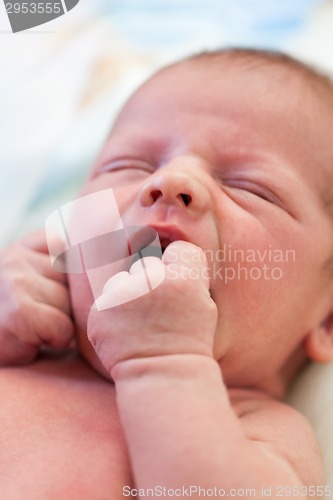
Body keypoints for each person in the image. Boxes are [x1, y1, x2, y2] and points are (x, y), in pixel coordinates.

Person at [1, 48, 333, 499]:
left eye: (252, 188)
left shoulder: (260, 433)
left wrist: (164, 365)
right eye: (128, 166)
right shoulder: (25, 351)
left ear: (327, 319)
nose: (172, 180)